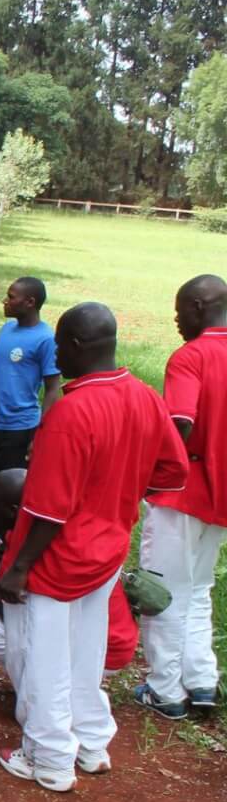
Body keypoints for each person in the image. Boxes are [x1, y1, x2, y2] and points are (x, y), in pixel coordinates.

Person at [0, 302, 188, 791]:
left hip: (57, 559)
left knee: (43, 657)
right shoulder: (143, 396)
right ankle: (94, 743)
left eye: (60, 345)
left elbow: (47, 510)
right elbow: (173, 470)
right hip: (107, 550)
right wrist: (116, 497)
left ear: (78, 346)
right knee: (85, 651)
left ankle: (50, 760)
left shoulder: (71, 412)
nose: (56, 354)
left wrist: (18, 568)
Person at [0, 468, 138, 685]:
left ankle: (47, 686)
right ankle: (51, 677)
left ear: (14, 510)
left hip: (103, 650)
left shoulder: (36, 548)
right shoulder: (29, 531)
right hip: (92, 634)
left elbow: (15, 608)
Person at [133, 274, 227, 719]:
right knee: (199, 586)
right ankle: (202, 680)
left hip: (183, 492)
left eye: (177, 310)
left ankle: (165, 689)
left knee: (162, 589)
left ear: (197, 306)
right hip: (221, 499)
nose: (175, 319)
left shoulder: (191, 356)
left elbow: (180, 423)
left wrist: (143, 476)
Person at [0, 276, 61, 546]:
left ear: (30, 302)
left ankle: (8, 549)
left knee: (11, 495)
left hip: (20, 428)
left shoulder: (45, 339)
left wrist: (40, 432)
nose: (5, 301)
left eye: (11, 296)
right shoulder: (6, 330)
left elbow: (53, 388)